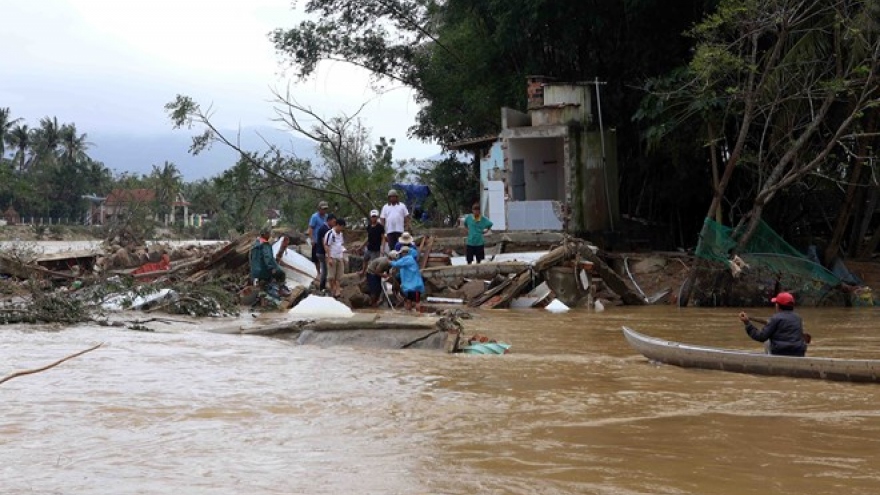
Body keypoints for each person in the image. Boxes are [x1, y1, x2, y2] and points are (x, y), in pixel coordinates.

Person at [738, 292, 808, 357]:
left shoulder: (775, 318)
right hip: (799, 352)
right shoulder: (798, 318)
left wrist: (747, 323)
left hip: (780, 352)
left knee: (767, 340)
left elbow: (761, 337)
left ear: (778, 306)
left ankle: (769, 359)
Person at [249, 227, 286, 302]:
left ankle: (266, 288)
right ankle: (281, 291)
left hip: (255, 271)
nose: (269, 235)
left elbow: (251, 258)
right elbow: (267, 257)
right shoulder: (265, 244)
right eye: (268, 233)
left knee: (267, 278)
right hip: (264, 270)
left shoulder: (255, 244)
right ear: (265, 234)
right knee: (282, 273)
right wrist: (271, 268)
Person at [390, 245, 425, 312]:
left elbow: (396, 264)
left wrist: (389, 262)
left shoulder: (407, 259)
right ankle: (410, 313)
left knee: (416, 302)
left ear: (404, 253)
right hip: (411, 286)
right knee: (409, 301)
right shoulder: (409, 258)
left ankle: (419, 315)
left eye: (402, 253)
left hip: (414, 286)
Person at [323, 218, 346, 298]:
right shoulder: (330, 233)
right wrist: (329, 258)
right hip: (332, 256)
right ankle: (333, 289)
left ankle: (337, 289)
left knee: (339, 275)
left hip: (339, 256)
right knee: (331, 276)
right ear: (338, 225)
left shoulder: (341, 234)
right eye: (342, 227)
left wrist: (343, 255)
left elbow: (341, 245)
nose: (342, 229)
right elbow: (326, 245)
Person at [314, 214, 337, 293]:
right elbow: (325, 243)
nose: (334, 224)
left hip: (320, 251)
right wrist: (328, 255)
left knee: (325, 270)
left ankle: (323, 286)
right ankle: (322, 287)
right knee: (325, 270)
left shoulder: (326, 228)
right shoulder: (324, 229)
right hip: (322, 252)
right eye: (334, 222)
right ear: (329, 220)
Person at [307, 200, 330, 275]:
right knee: (316, 258)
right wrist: (312, 239)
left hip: (326, 240)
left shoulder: (327, 217)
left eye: (325, 209)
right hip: (317, 240)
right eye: (323, 209)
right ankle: (318, 273)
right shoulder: (314, 217)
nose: (324, 210)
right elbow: (311, 228)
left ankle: (326, 272)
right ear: (319, 209)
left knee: (326, 256)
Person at [359, 209, 385, 275]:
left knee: (374, 263)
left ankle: (372, 275)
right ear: (370, 217)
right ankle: (363, 271)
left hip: (376, 249)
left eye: (375, 216)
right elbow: (368, 237)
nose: (373, 218)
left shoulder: (380, 227)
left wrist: (382, 247)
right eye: (372, 216)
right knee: (365, 259)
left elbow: (383, 238)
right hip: (369, 247)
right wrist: (362, 246)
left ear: (377, 217)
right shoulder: (369, 226)